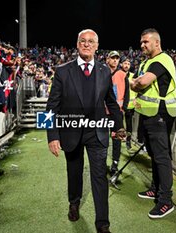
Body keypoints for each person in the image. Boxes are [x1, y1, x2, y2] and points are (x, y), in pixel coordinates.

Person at [46, 29, 124, 233]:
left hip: (97, 132)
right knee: (74, 173)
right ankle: (74, 202)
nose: (87, 44)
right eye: (83, 41)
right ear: (77, 44)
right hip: (70, 132)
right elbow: (51, 107)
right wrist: (52, 136)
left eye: (91, 41)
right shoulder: (62, 71)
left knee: (99, 176)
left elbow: (111, 102)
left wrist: (119, 125)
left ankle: (103, 224)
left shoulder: (105, 71)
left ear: (97, 46)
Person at [130, 28, 176, 219]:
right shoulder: (146, 62)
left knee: (161, 156)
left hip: (160, 114)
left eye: (146, 42)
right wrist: (136, 81)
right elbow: (135, 81)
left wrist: (136, 82)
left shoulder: (162, 60)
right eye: (141, 42)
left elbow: (140, 83)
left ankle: (166, 201)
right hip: (149, 114)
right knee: (154, 154)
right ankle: (156, 189)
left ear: (157, 43)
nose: (142, 45)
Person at [105, 51, 129, 176]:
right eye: (112, 58)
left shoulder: (122, 74)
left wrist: (123, 108)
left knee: (117, 138)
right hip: (103, 112)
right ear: (107, 59)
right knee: (102, 138)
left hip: (117, 113)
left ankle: (115, 164)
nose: (115, 60)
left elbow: (127, 93)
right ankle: (101, 163)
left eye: (117, 58)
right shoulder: (102, 73)